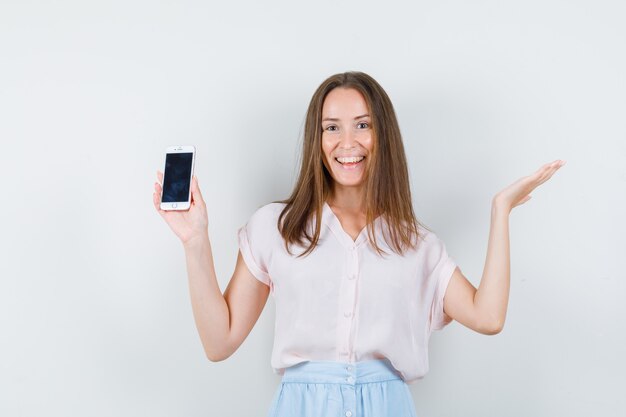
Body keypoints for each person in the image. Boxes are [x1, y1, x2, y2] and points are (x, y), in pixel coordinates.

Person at [152, 71, 565, 417]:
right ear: (318, 138)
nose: (347, 142)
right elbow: (218, 341)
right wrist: (195, 242)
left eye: (363, 125)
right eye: (332, 127)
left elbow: (487, 316)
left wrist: (500, 210)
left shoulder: (415, 243)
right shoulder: (276, 227)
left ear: (383, 135)